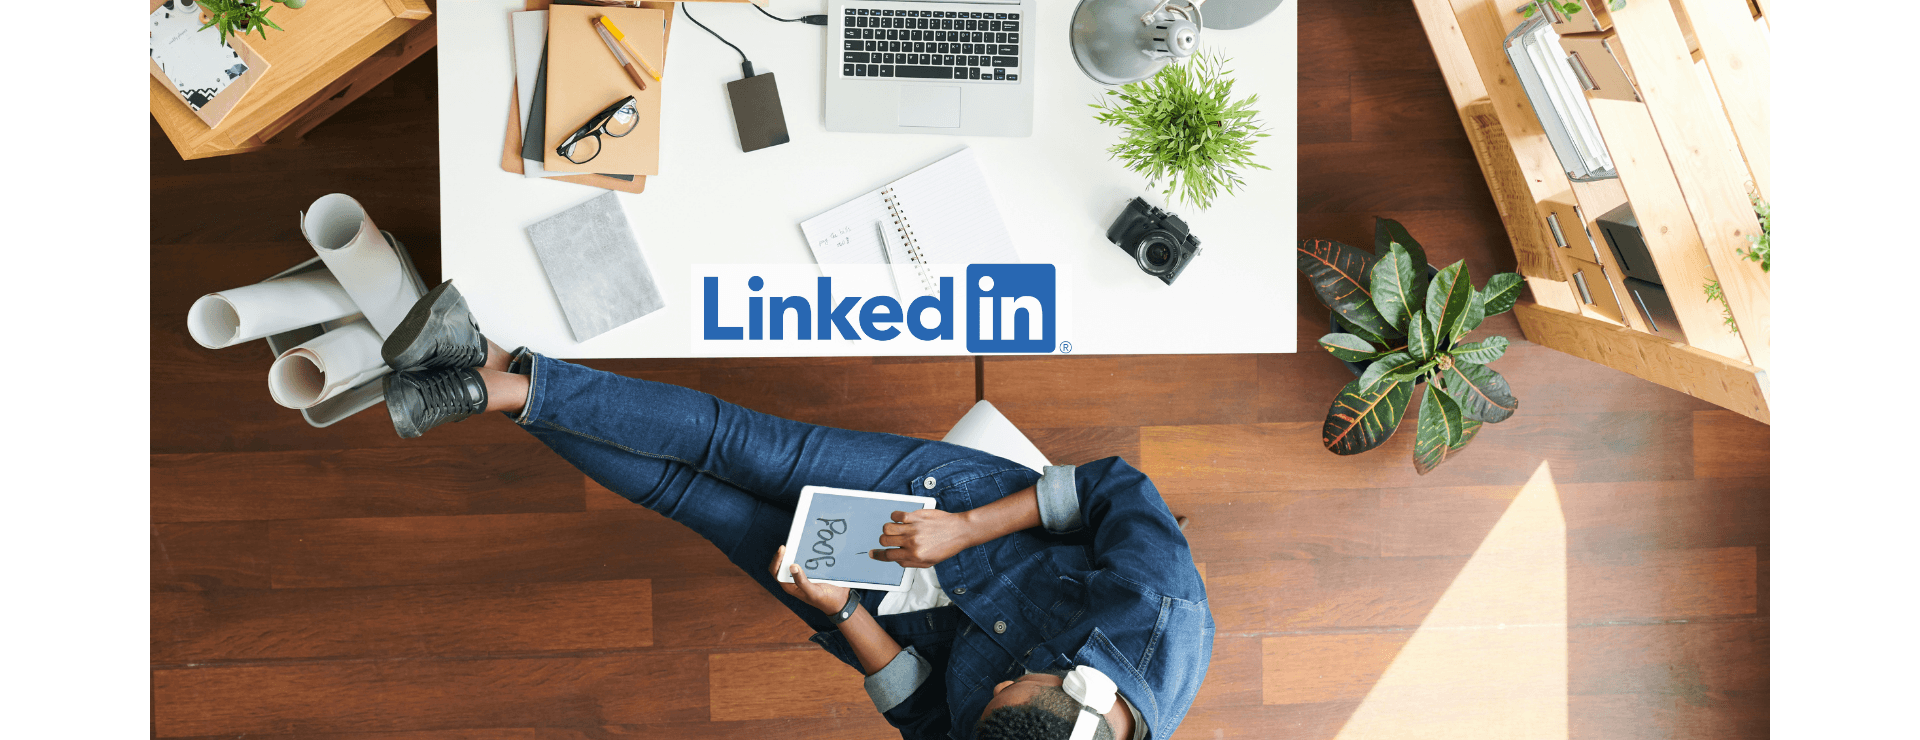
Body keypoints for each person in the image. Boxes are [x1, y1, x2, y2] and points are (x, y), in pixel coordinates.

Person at [378, 282, 1214, 740]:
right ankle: (493, 383)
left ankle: (478, 363)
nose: (997, 680)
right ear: (1081, 687)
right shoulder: (1159, 623)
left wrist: (843, 610)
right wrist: (961, 529)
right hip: (964, 515)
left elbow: (923, 714)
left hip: (876, 605)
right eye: (1014, 682)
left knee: (689, 500)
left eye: (988, 694)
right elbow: (1113, 490)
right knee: (737, 447)